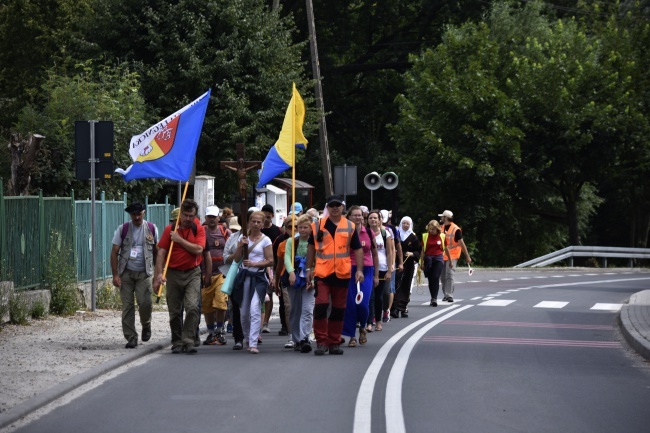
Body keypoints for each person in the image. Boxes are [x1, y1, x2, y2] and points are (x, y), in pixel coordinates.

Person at [306, 195, 364, 356]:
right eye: (332, 205)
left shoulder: (350, 226)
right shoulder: (317, 226)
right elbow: (311, 248)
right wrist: (308, 269)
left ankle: (334, 342)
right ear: (327, 207)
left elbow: (358, 249)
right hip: (323, 273)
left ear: (342, 207)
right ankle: (321, 342)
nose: (335, 208)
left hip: (342, 273)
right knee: (321, 306)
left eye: (338, 205)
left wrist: (359, 270)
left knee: (338, 309)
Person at [154, 199, 206, 354]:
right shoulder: (169, 229)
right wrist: (158, 275)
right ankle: (176, 341)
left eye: (192, 216)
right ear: (180, 214)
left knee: (191, 307)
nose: (189, 219)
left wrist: (179, 240)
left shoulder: (198, 229)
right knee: (175, 311)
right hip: (173, 273)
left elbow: (198, 250)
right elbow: (161, 253)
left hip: (192, 272)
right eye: (186, 215)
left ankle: (188, 340)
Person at [110, 202, 158, 349]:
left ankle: (146, 324)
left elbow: (157, 251)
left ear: (144, 213)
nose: (137, 217)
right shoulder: (123, 229)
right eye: (134, 215)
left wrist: (157, 273)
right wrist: (115, 275)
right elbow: (114, 252)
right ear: (130, 215)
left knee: (145, 303)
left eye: (139, 214)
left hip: (145, 273)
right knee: (127, 306)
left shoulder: (151, 228)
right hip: (126, 273)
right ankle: (131, 337)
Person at [231, 211, 274, 354]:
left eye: (258, 222)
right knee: (244, 312)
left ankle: (254, 342)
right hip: (244, 278)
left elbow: (270, 260)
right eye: (253, 221)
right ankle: (248, 339)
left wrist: (255, 264)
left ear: (262, 224)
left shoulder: (266, 240)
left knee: (255, 309)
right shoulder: (244, 239)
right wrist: (239, 247)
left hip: (259, 278)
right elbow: (236, 260)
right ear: (249, 222)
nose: (255, 224)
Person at [342, 206, 378, 347]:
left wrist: (376, 275)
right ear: (349, 217)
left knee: (363, 303)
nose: (358, 218)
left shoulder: (368, 232)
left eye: (360, 215)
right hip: (348, 269)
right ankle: (351, 336)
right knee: (350, 304)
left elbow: (374, 254)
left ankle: (363, 326)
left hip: (367, 269)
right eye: (355, 215)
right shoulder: (345, 232)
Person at [281, 215, 314, 352]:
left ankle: (305, 337)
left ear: (311, 228)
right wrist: (291, 272)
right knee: (295, 309)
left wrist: (312, 279)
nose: (302, 230)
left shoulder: (314, 242)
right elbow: (287, 258)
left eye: (305, 227)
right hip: (294, 278)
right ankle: (296, 338)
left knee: (307, 309)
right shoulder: (291, 241)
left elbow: (317, 260)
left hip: (309, 276)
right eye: (300, 227)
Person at [201, 205, 231, 345]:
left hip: (222, 273)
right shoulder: (201, 232)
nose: (212, 219)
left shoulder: (224, 232)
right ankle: (211, 332)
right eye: (209, 217)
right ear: (206, 218)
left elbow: (231, 248)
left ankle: (219, 330)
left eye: (214, 217)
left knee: (220, 303)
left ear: (218, 217)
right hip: (204, 274)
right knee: (207, 305)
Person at [367, 210, 394, 331]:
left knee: (378, 296)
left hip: (382, 267)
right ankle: (369, 321)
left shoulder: (385, 233)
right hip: (368, 266)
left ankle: (378, 321)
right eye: (370, 218)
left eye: (375, 218)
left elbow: (389, 252)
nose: (373, 220)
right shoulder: (364, 232)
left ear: (379, 220)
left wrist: (389, 269)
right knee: (369, 296)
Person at [260, 204, 284, 335]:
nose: (267, 215)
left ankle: (266, 322)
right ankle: (263, 321)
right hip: (260, 265)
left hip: (275, 266)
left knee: (272, 294)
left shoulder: (277, 231)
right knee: (265, 295)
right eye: (265, 213)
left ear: (273, 216)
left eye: (269, 213)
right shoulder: (258, 230)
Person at [222, 214, 245, 350]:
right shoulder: (233, 238)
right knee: (236, 307)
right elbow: (225, 258)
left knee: (252, 308)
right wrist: (237, 252)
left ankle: (252, 335)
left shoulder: (261, 238)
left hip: (254, 275)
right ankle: (238, 338)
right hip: (236, 276)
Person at [439, 210, 472, 302]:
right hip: (442, 254)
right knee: (442, 276)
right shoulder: (441, 227)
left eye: (442, 217)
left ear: (446, 218)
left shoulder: (456, 229)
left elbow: (462, 243)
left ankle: (449, 295)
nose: (441, 218)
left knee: (449, 274)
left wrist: (467, 256)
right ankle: (445, 294)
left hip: (453, 254)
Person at [392, 216, 420, 318]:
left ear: (410, 225)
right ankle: (394, 309)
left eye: (407, 223)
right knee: (396, 284)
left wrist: (412, 254)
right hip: (396, 262)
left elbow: (418, 251)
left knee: (406, 285)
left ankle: (403, 308)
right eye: (403, 223)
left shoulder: (413, 237)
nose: (405, 225)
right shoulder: (396, 234)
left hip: (408, 264)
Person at [421, 220, 451, 307]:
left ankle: (435, 298)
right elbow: (423, 250)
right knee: (430, 279)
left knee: (435, 277)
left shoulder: (442, 236)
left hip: (438, 258)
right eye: (430, 229)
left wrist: (450, 260)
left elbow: (446, 249)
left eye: (433, 229)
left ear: (437, 228)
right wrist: (422, 262)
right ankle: (432, 297)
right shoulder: (425, 236)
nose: (431, 231)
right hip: (428, 259)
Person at [382, 209, 402, 322]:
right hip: (377, 264)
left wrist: (398, 262)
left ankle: (387, 310)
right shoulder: (369, 230)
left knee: (389, 288)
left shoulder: (392, 229)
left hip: (389, 262)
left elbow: (396, 247)